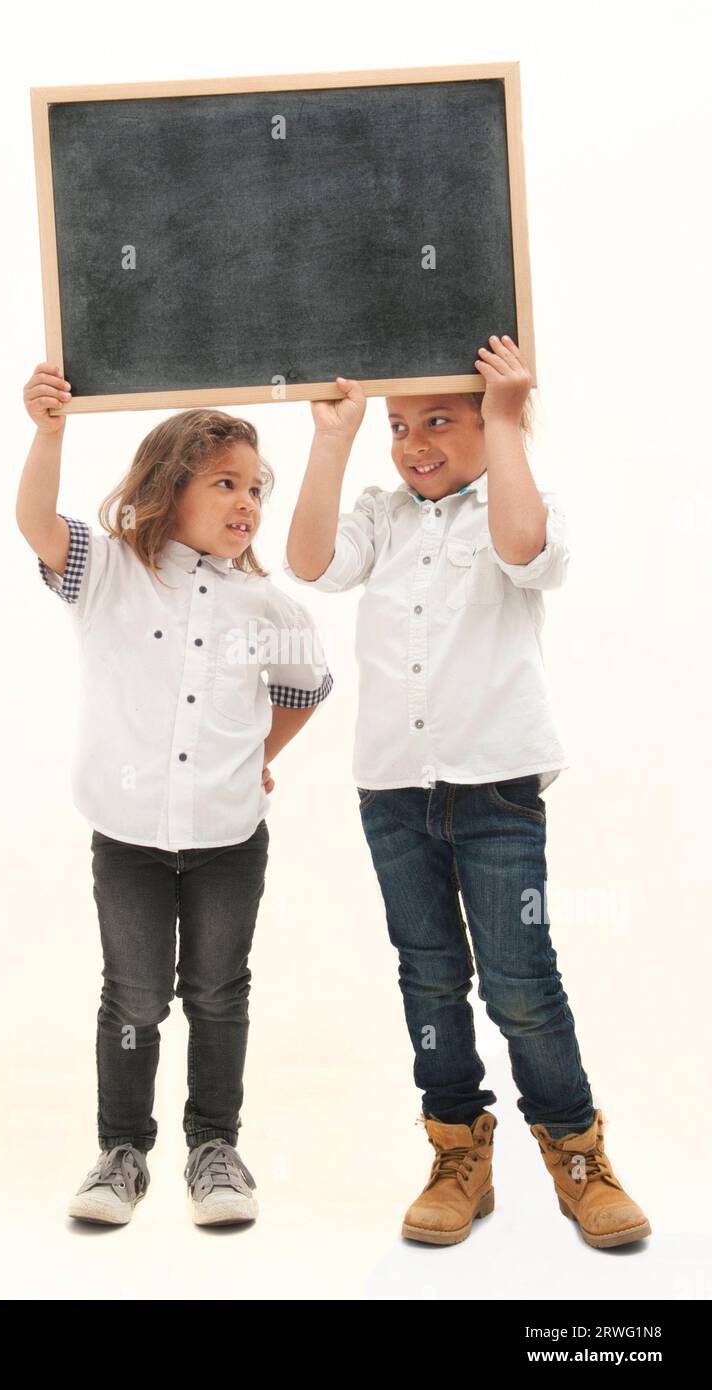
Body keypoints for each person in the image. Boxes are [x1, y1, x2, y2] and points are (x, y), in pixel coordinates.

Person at [282, 335, 650, 1249]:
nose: (413, 443)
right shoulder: (381, 514)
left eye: (438, 421)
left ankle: (575, 1151)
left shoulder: (517, 502)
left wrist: (506, 421)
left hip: (498, 792)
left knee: (523, 982)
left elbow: (526, 550)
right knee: (431, 976)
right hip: (395, 792)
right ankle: (456, 1148)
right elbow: (311, 561)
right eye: (401, 426)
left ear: (487, 423)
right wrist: (334, 439)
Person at [16, 362, 333, 1228]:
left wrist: (258, 757)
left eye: (258, 489)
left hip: (231, 839)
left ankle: (215, 1149)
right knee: (135, 994)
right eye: (225, 482)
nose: (248, 502)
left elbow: (306, 690)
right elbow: (36, 522)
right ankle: (122, 1151)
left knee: (219, 991)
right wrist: (50, 433)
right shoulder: (109, 570)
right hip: (127, 840)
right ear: (168, 484)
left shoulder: (265, 604)